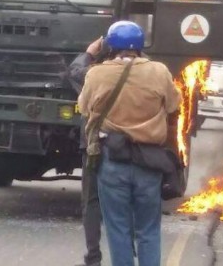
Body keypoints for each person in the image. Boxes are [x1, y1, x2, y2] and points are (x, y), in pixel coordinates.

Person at [78, 21, 181, 266]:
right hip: (149, 161)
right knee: (148, 229)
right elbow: (173, 106)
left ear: (110, 46)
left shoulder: (97, 73)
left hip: (113, 162)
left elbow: (84, 107)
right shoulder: (159, 71)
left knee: (118, 229)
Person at [68, 36, 105, 266]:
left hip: (96, 147)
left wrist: (89, 53)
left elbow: (74, 71)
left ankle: (93, 257)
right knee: (125, 204)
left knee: (91, 201)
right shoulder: (152, 74)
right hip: (132, 149)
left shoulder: (96, 74)